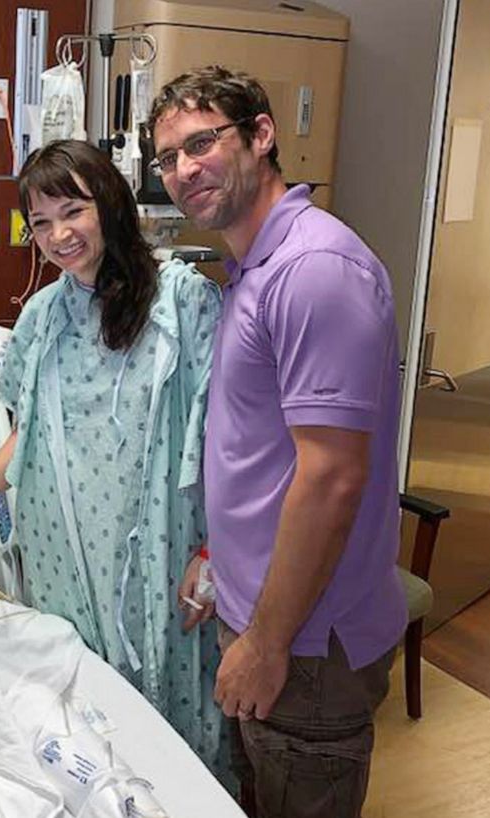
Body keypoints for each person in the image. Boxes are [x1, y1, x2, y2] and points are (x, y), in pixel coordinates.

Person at [0, 139, 229, 782]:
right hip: (66, 555)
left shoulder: (183, 301)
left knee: (168, 711)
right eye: (40, 222)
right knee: (87, 710)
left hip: (162, 548)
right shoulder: (42, 318)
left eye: (73, 211)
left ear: (109, 204)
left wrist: (216, 554)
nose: (59, 234)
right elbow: (25, 439)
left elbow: (225, 437)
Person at [149, 65, 403, 818]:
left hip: (306, 644)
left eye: (202, 143)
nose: (183, 170)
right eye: (167, 158)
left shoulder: (313, 271)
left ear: (262, 135)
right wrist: (220, 558)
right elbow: (263, 451)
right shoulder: (253, 270)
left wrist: (264, 643)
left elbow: (331, 480)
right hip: (270, 617)